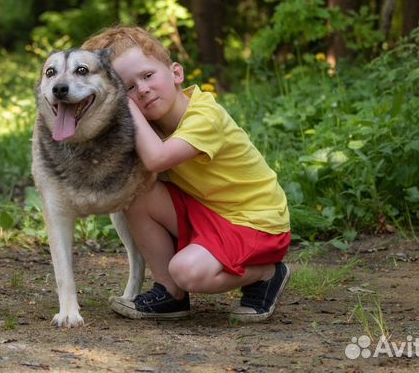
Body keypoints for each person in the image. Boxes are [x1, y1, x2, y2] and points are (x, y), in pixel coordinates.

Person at [81, 26, 291, 323]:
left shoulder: (204, 116)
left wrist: (128, 107)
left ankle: (268, 273)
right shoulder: (153, 126)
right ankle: (171, 293)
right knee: (135, 191)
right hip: (211, 213)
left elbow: (157, 159)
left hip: (256, 222)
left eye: (148, 76)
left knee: (188, 271)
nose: (141, 90)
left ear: (176, 73)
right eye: (127, 88)